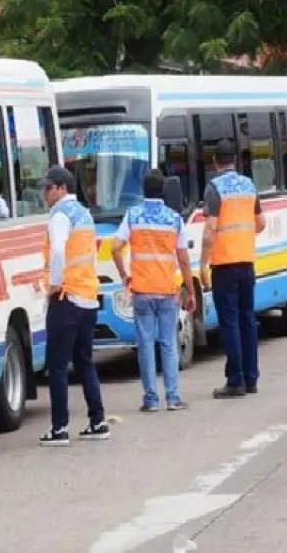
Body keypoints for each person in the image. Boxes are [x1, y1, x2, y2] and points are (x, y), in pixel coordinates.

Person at [110, 170, 195, 412]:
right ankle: (173, 397)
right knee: (168, 343)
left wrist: (125, 275)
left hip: (142, 290)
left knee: (145, 345)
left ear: (143, 190)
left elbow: (116, 248)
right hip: (167, 291)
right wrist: (190, 290)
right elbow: (184, 261)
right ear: (164, 191)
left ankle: (150, 400)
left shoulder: (133, 215)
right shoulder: (174, 219)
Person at [39, 165, 110, 446]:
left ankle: (59, 428)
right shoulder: (84, 214)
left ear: (61, 188)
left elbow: (58, 250)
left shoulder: (60, 215)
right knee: (85, 363)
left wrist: (55, 283)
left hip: (66, 296)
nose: (44, 193)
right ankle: (98, 420)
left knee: (57, 366)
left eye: (48, 188)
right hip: (88, 297)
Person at [199, 140, 266, 399]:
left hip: (224, 265)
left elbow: (210, 231)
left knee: (229, 322)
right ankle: (251, 379)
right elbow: (260, 223)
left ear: (215, 161)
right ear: (235, 160)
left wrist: (203, 264)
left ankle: (235, 380)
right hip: (246, 262)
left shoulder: (214, 187)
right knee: (248, 319)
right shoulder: (249, 185)